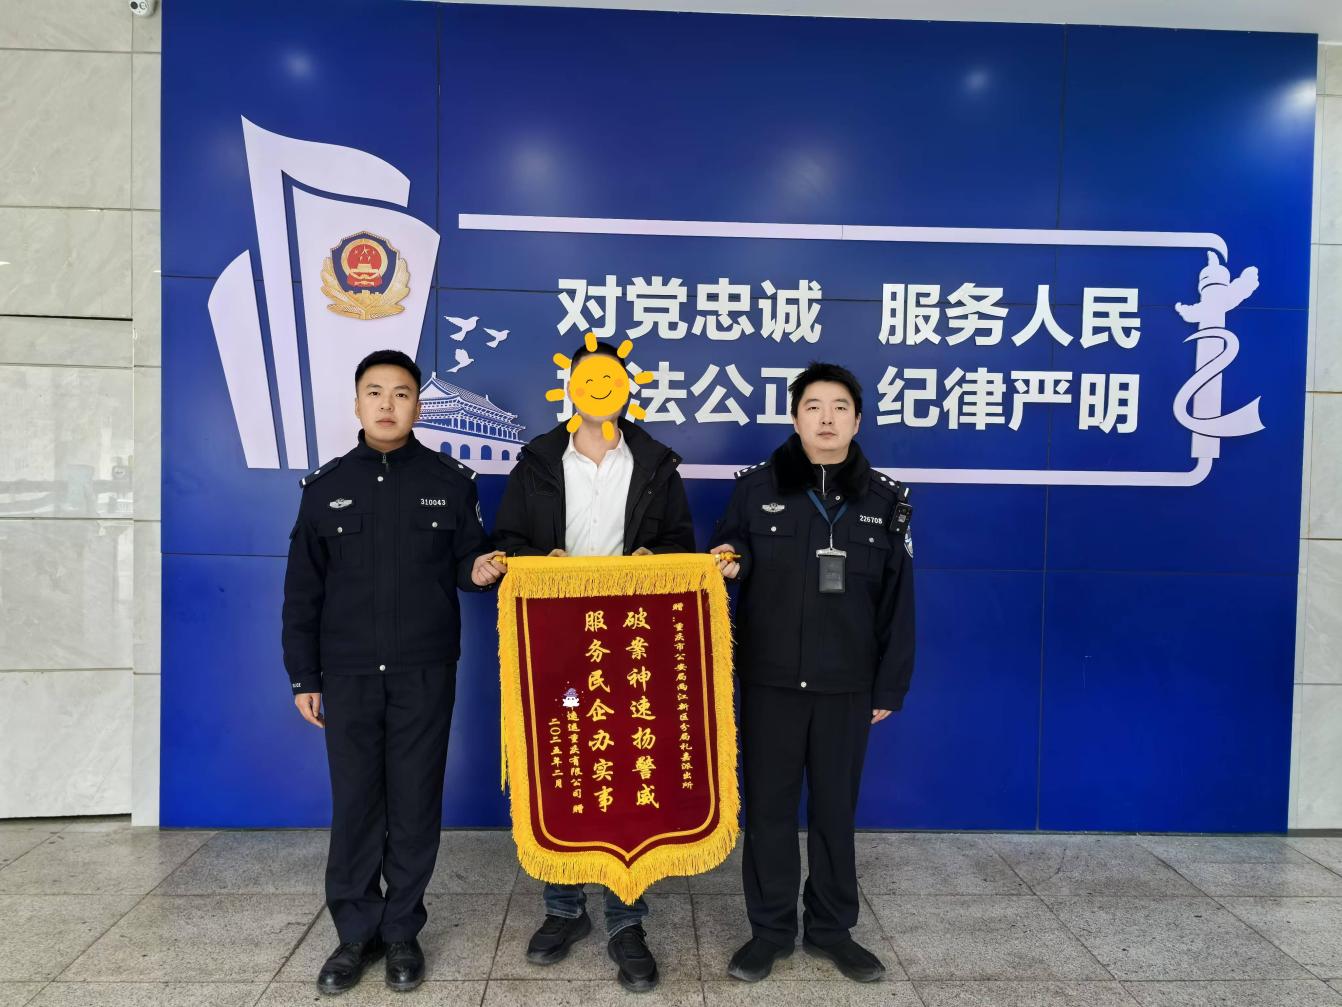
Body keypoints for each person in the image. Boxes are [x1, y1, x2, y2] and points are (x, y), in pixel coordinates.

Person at [282, 349, 506, 995]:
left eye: (401, 393)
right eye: (375, 392)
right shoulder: (324, 488)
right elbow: (302, 593)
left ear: (417, 405)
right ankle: (356, 933)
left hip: (424, 669)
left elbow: (467, 562)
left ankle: (403, 930)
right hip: (348, 672)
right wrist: (304, 677)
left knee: (414, 800)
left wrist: (481, 571)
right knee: (356, 802)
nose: (387, 404)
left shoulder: (450, 481)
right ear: (356, 404)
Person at [493, 337, 696, 993]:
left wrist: (653, 558)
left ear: (626, 385)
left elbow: (680, 543)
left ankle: (626, 920)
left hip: (630, 640)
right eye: (587, 376)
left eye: (610, 376)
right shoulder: (538, 462)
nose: (599, 385)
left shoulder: (656, 464)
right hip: (558, 641)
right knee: (563, 761)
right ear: (570, 386)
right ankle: (563, 909)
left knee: (627, 766)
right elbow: (507, 542)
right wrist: (539, 559)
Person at [709, 361, 915, 984]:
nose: (827, 419)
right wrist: (731, 562)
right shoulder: (756, 488)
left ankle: (831, 929)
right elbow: (730, 553)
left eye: (839, 408)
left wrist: (888, 685)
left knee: (834, 810)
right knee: (769, 810)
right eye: (813, 407)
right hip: (770, 680)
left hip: (846, 684)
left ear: (858, 419)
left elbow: (898, 600)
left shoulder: (886, 500)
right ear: (795, 418)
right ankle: (770, 931)